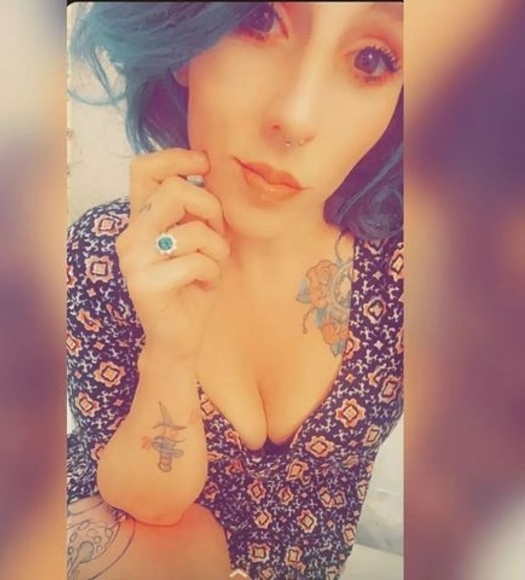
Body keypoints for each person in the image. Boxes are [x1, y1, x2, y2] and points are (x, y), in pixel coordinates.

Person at [66, 2, 403, 579]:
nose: (296, 118)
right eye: (260, 20)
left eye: (371, 60)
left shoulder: (405, 272)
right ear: (184, 44)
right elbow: (151, 506)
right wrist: (170, 350)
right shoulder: (108, 254)